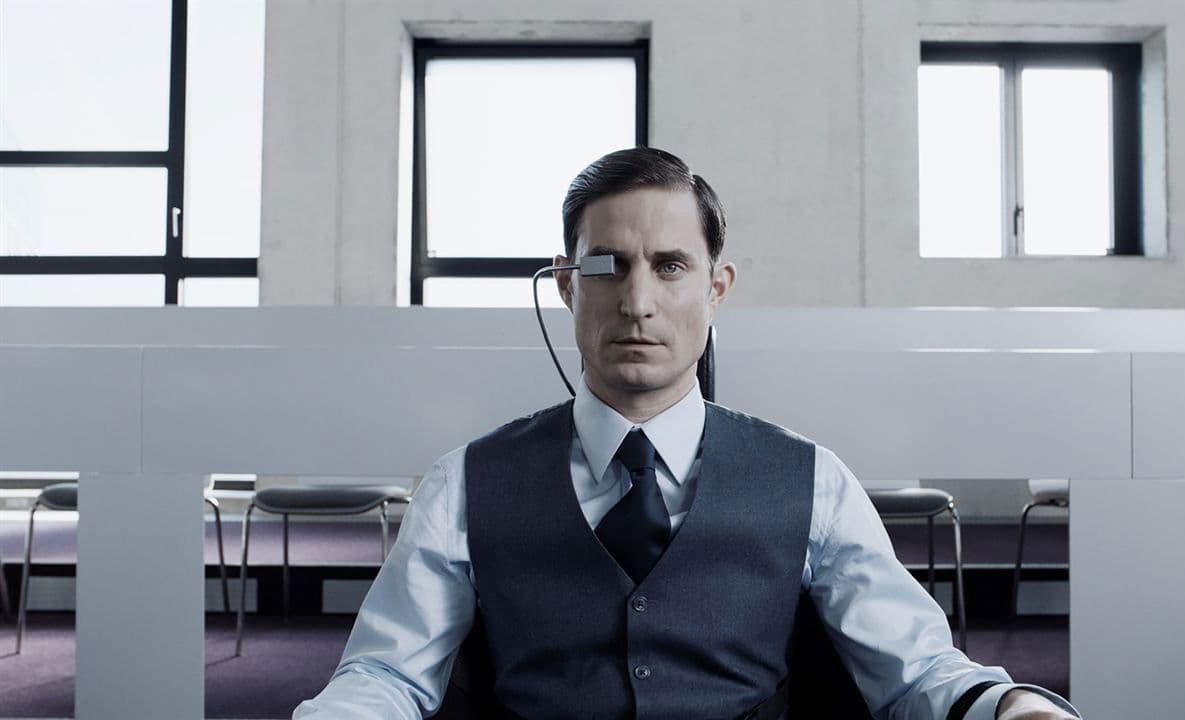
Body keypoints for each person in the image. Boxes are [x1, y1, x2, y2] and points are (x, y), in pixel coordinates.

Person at [295, 148, 1081, 720]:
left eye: (670, 266)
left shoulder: (812, 480)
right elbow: (387, 676)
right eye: (607, 266)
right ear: (566, 286)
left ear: (716, 286)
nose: (637, 302)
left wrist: (1010, 706)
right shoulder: (466, 482)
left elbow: (917, 671)